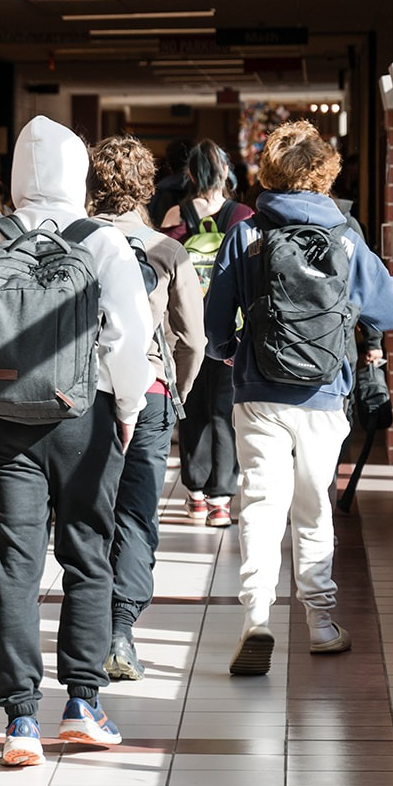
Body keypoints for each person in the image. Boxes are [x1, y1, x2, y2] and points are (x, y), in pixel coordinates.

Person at [0, 115, 152, 767]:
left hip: (8, 428)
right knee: (89, 555)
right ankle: (84, 703)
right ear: (78, 172)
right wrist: (127, 408)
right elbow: (128, 338)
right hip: (84, 422)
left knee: (15, 567)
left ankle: (20, 721)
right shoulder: (104, 242)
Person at [204, 121, 393, 676]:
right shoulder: (345, 235)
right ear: (325, 173)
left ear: (267, 172)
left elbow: (215, 323)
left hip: (258, 391)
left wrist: (229, 350)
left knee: (261, 503)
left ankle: (257, 619)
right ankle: (321, 624)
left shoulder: (245, 233)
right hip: (324, 393)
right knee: (314, 506)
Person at [86, 136, 206, 682]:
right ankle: (121, 632)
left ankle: (85, 626)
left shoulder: (72, 240)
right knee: (136, 515)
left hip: (82, 395)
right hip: (152, 392)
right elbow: (195, 339)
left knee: (88, 512)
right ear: (148, 185)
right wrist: (173, 388)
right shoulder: (167, 249)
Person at [159, 140, 253, 527]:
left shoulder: (174, 217)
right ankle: (221, 501)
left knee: (191, 407)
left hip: (185, 328)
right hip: (231, 328)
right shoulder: (243, 216)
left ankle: (195, 494)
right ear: (227, 172)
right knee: (224, 413)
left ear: (191, 174)